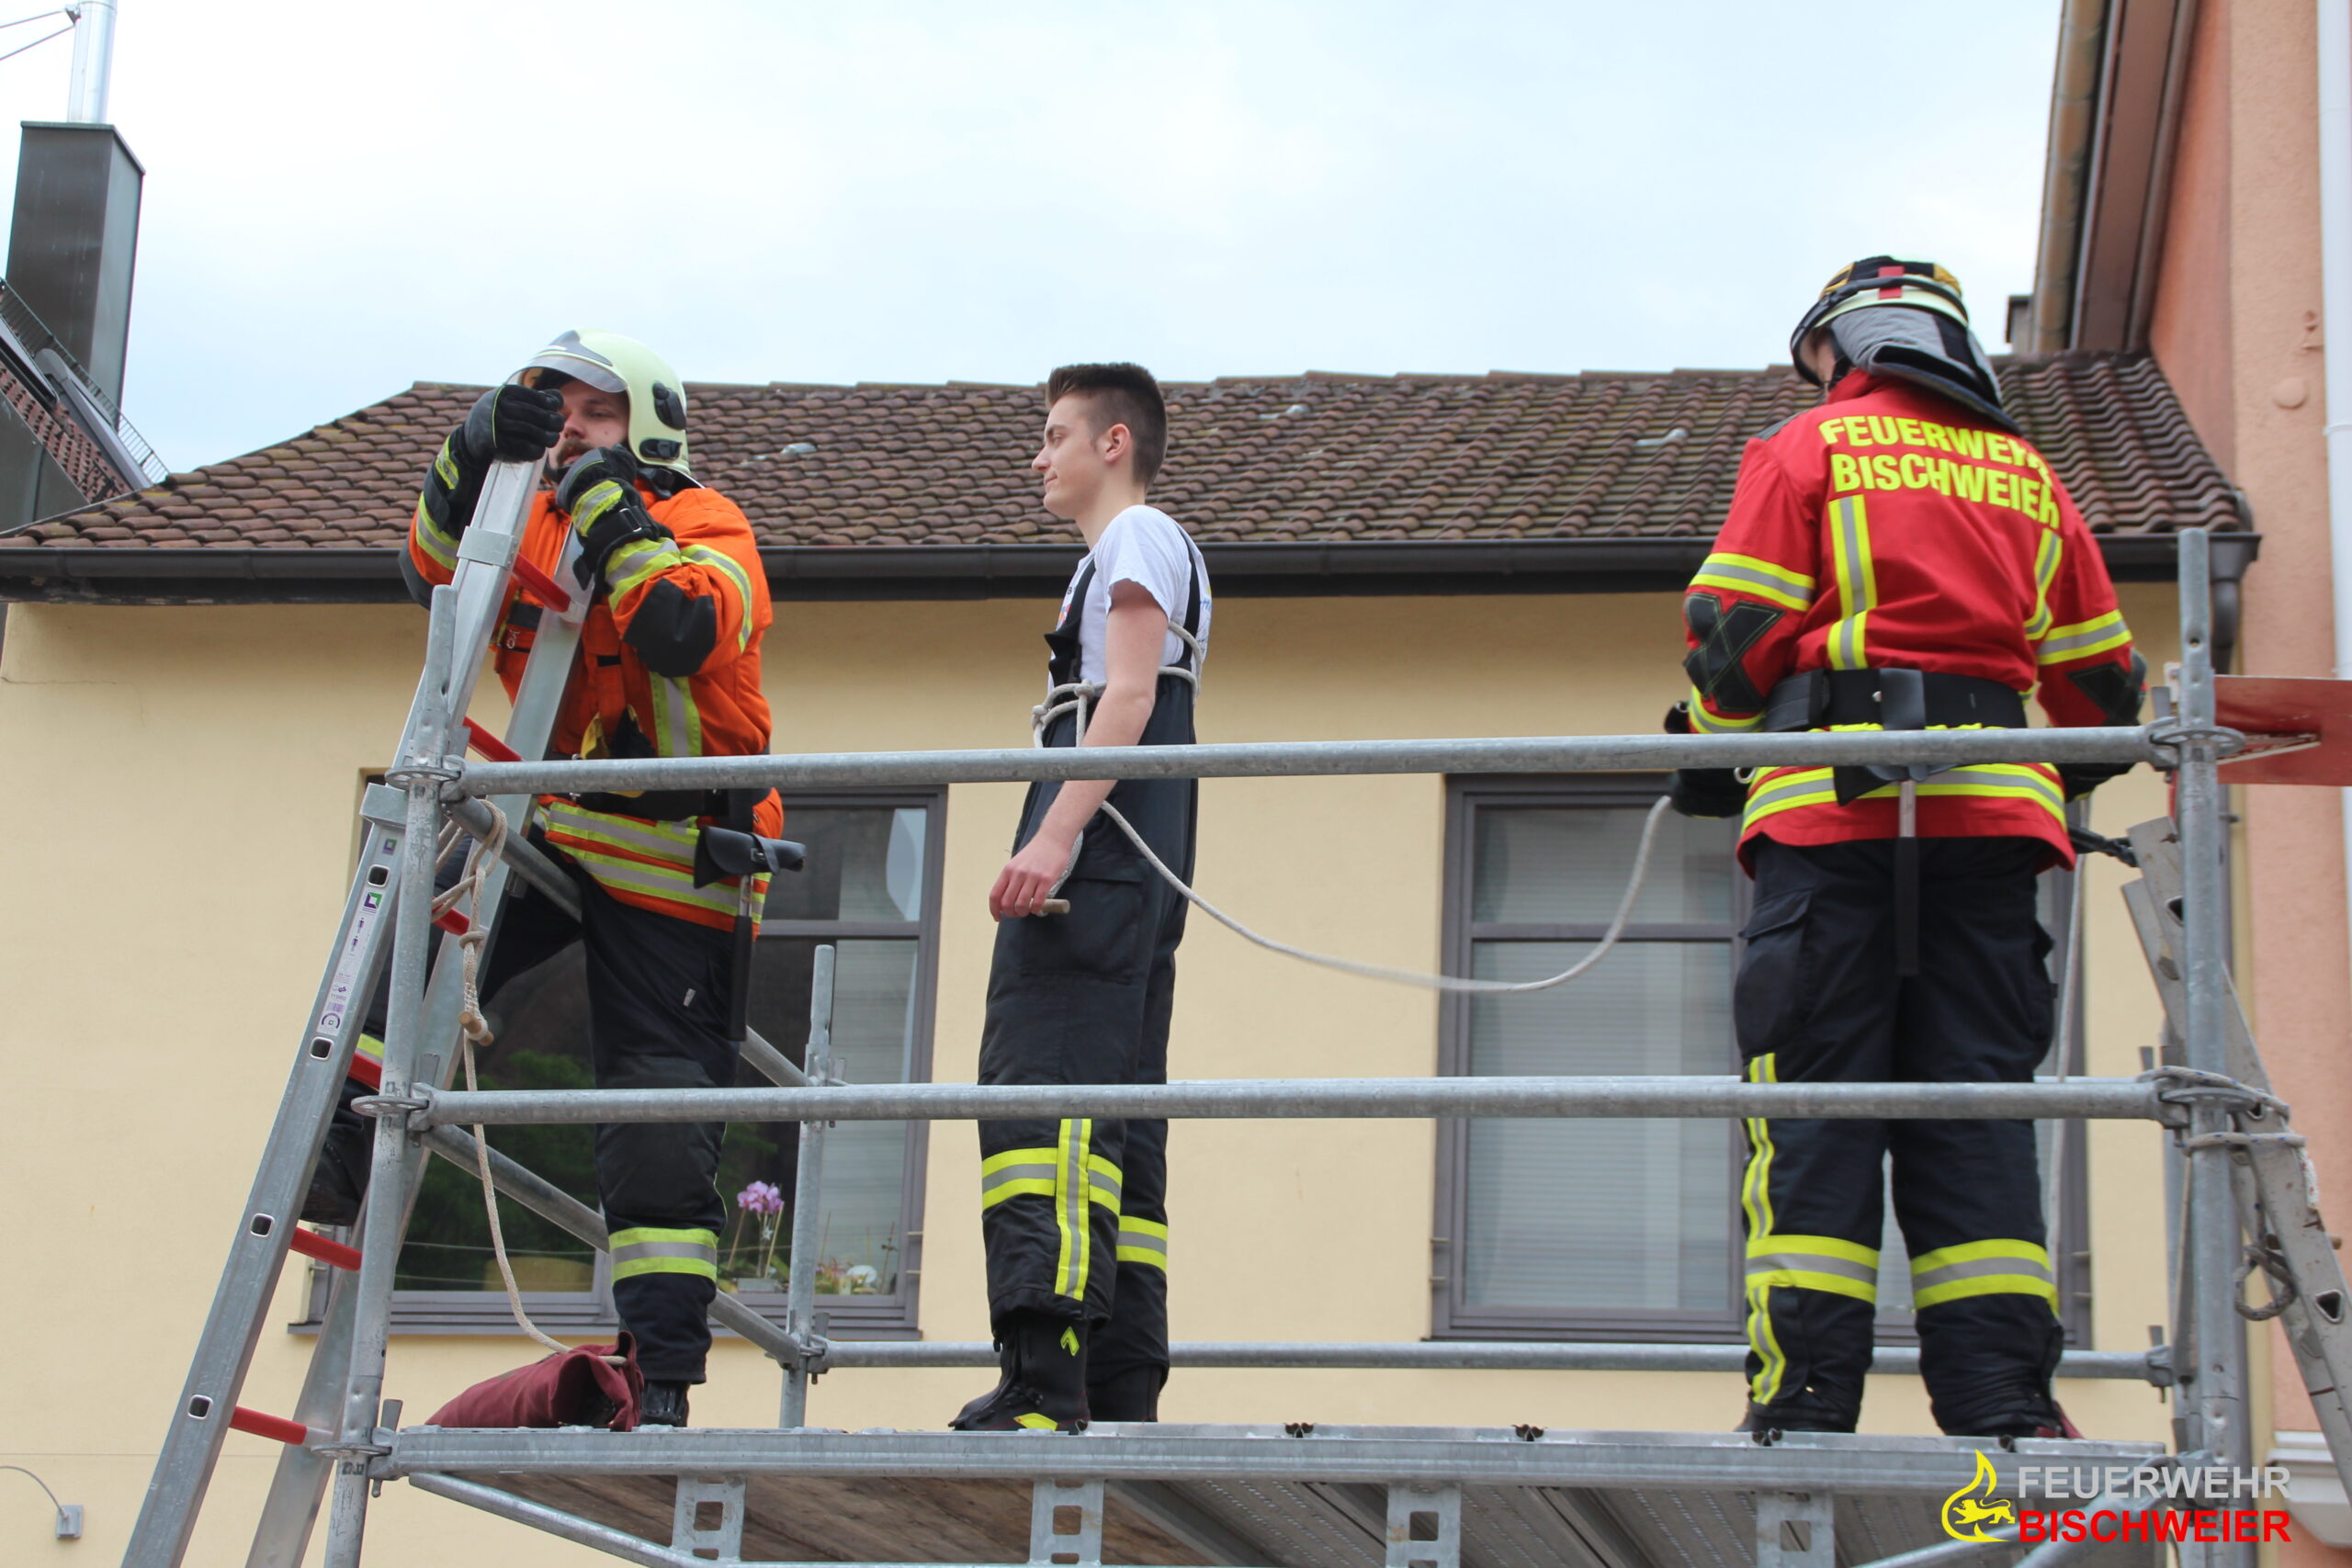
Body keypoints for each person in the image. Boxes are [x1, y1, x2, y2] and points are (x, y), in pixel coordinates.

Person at [1668, 259, 2144, 1438]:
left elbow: (1732, 639)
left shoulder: (1806, 449)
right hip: (1989, 837)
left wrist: (1717, 746)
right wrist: (2037, 771)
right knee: (1973, 1112)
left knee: (1815, 1116)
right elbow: (2106, 691)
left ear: (1842, 346)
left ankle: (1807, 1399)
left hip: (1829, 830)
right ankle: (2001, 1402)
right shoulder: (2029, 475)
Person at [303, 329, 782, 1428]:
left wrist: (611, 504)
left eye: (596, 413)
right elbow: (429, 569)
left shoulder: (709, 526)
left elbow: (677, 629)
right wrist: (472, 448)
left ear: (649, 428)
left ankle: (660, 1375)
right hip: (552, 819)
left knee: (657, 1102)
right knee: (405, 937)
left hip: (678, 848)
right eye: (553, 407)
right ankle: (339, 1164)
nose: (569, 426)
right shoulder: (529, 519)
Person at [951, 364, 1211, 1432]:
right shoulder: (1144, 546)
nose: (1037, 454)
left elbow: (1133, 694)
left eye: (1054, 434)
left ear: (1113, 443)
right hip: (1143, 833)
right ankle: (1116, 1375)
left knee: (1042, 1081)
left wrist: (1055, 833)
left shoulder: (1135, 538)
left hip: (1102, 830)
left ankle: (1040, 1375)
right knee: (1114, 1106)